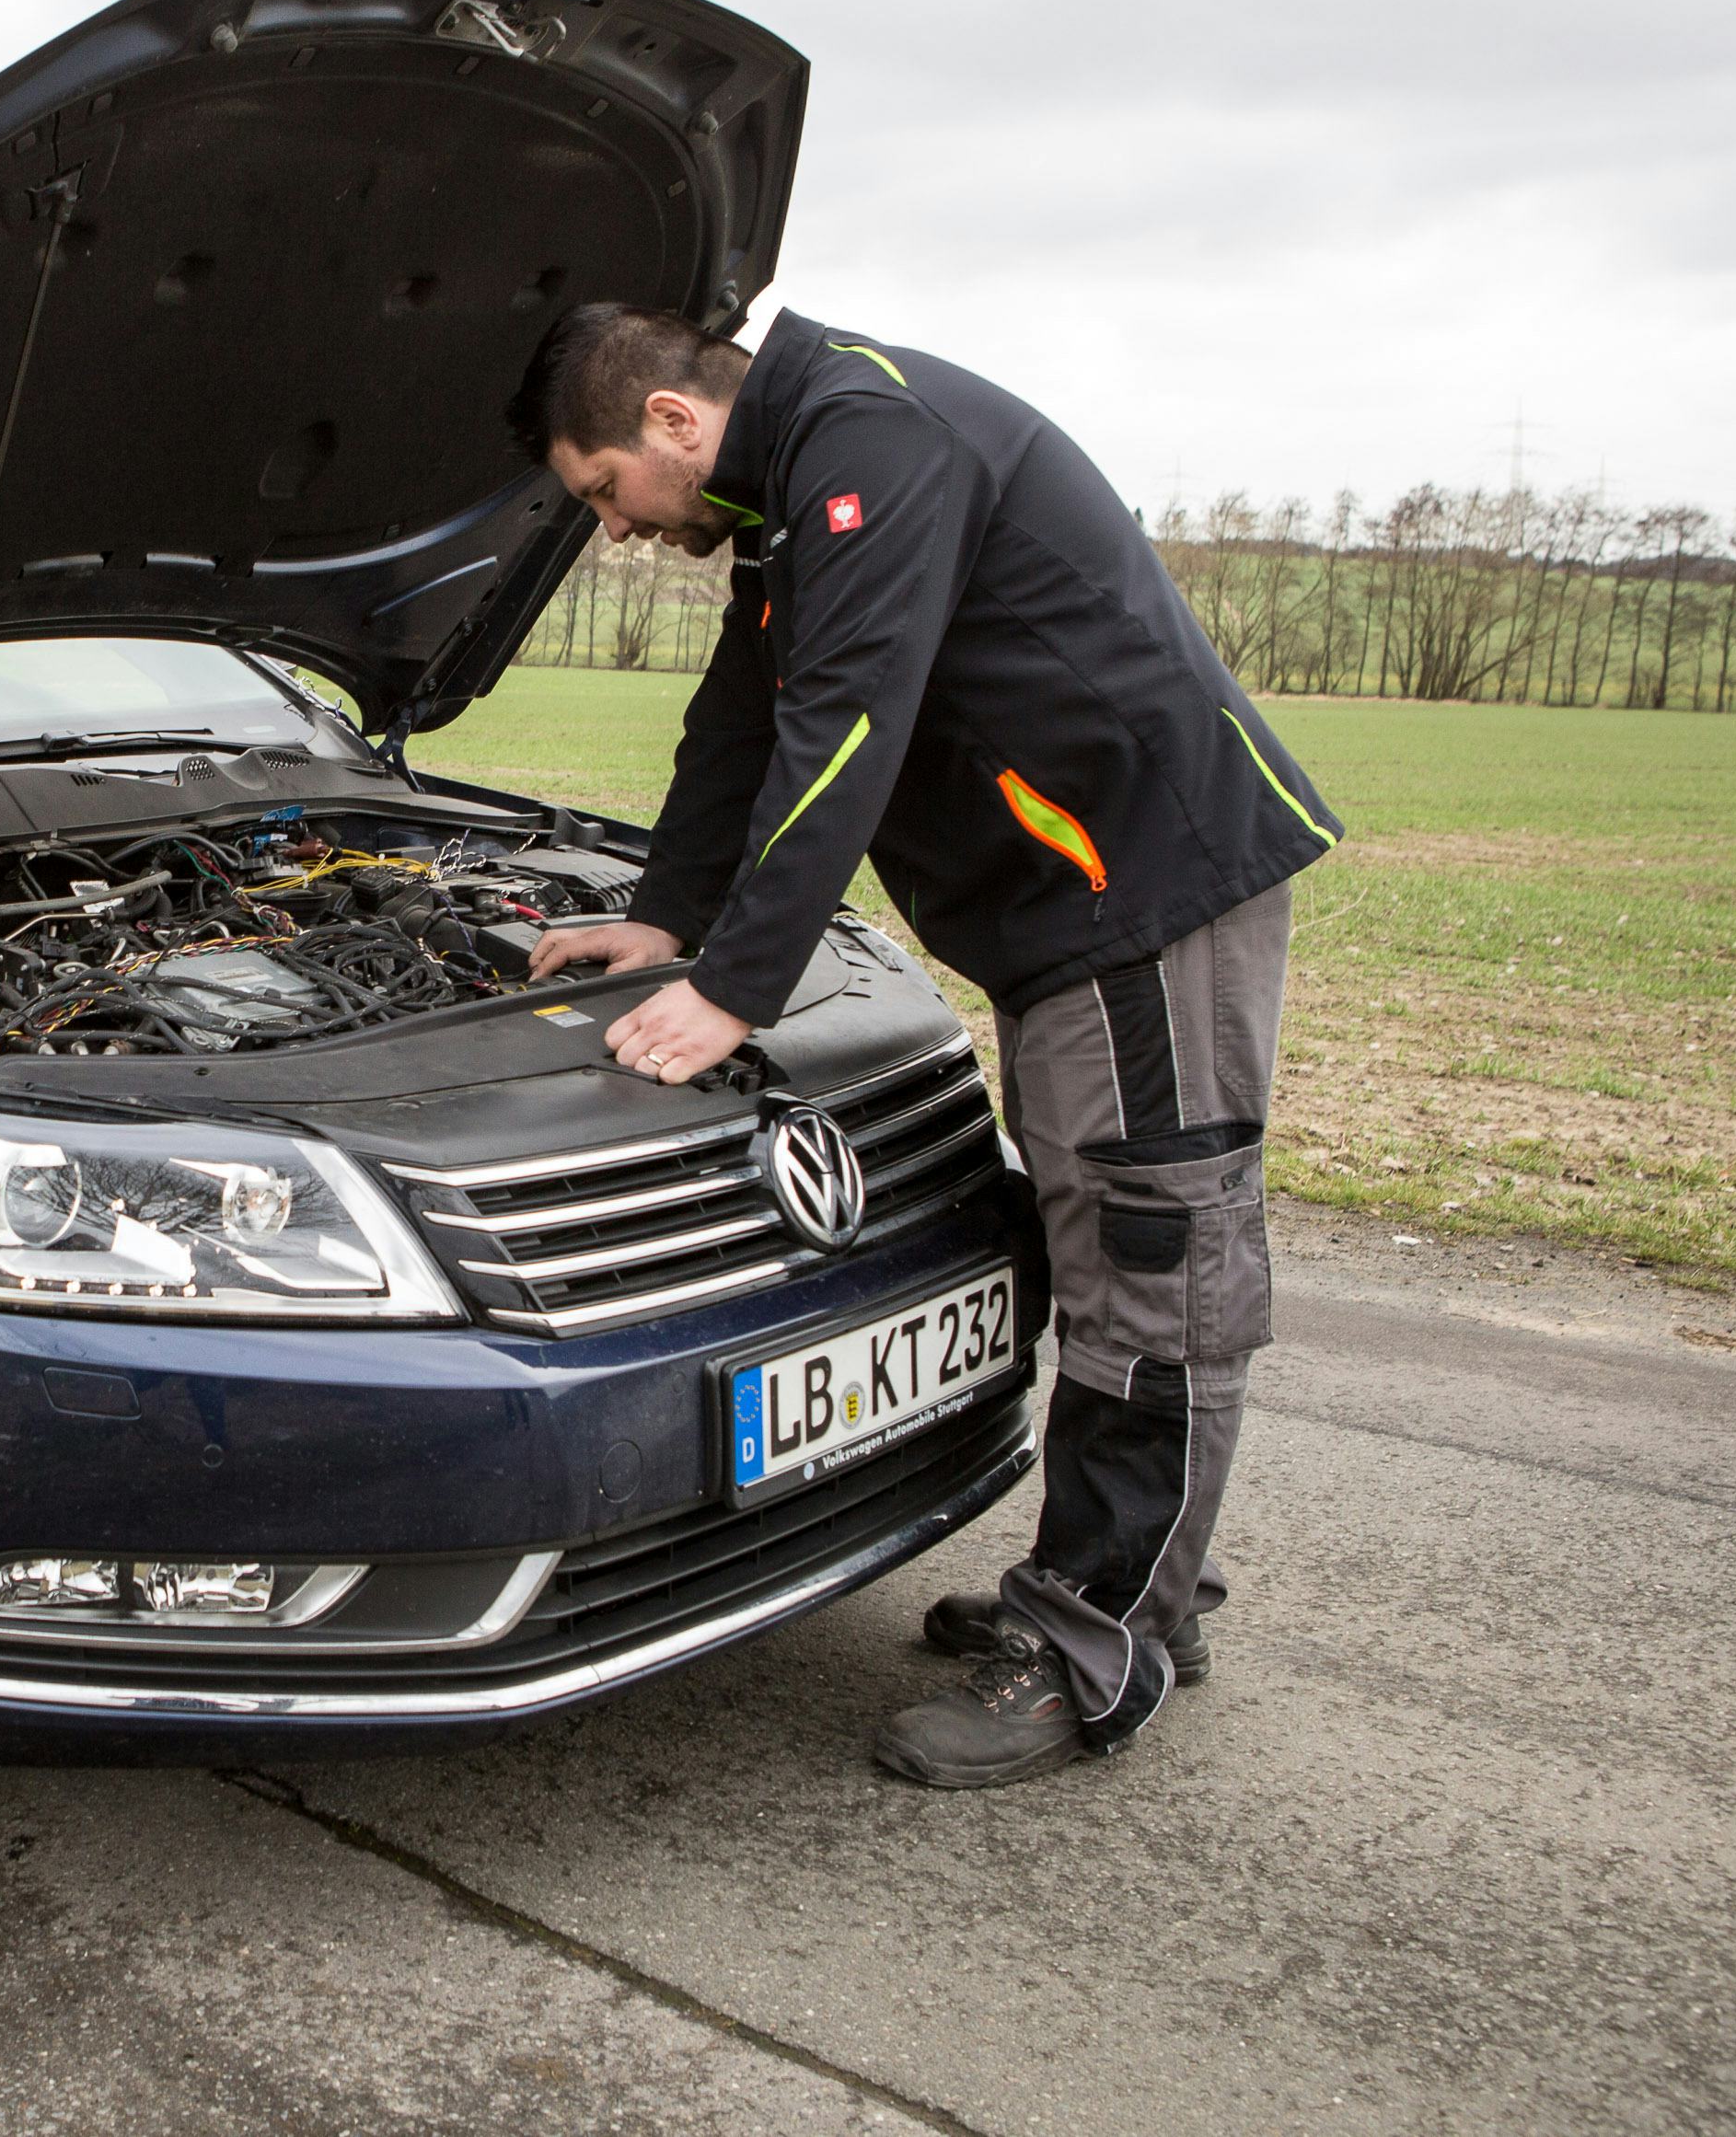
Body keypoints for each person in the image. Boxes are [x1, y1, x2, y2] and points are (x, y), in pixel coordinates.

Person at [505, 304, 1342, 1787]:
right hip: (1075, 912)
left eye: (602, 496)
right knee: (1114, 1248)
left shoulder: (867, 444)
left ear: (672, 426)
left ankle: (1097, 1645)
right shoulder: (796, 482)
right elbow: (746, 713)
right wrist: (667, 920)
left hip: (1139, 889)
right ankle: (1130, 1587)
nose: (617, 533)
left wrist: (737, 989)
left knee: (1155, 1266)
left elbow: (846, 720)